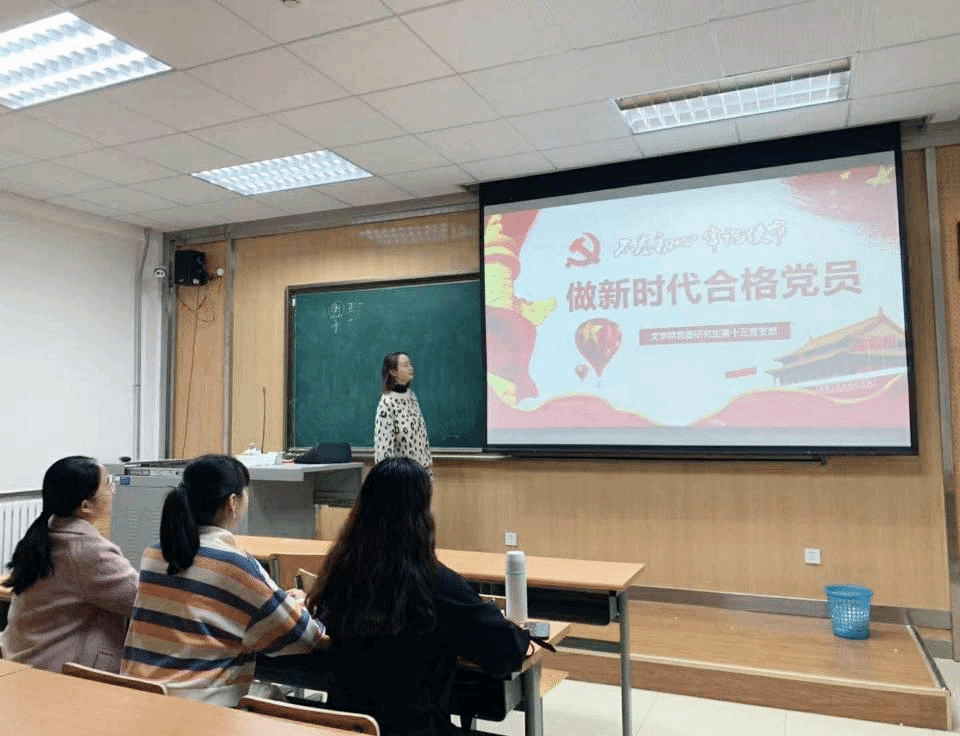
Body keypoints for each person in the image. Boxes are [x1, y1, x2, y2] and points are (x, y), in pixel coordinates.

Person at [306, 457, 530, 736]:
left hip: (348, 730)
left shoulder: (340, 573)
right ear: (422, 516)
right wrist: (518, 631)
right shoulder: (436, 584)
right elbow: (505, 651)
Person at [121, 454, 324, 705]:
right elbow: (303, 636)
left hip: (141, 700)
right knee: (272, 697)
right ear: (232, 503)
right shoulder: (235, 564)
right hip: (199, 711)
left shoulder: (153, 554)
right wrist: (302, 604)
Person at [1, 456, 138, 673]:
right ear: (86, 506)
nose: (112, 491)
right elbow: (141, 600)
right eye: (107, 485)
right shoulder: (88, 551)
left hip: (23, 660)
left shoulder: (46, 536)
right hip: (54, 672)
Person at [374, 352, 432, 475]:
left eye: (410, 364)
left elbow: (422, 438)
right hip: (401, 476)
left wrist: (427, 471)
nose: (411, 368)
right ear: (393, 372)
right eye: (405, 365)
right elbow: (383, 448)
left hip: (421, 472)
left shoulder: (411, 396)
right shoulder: (387, 402)